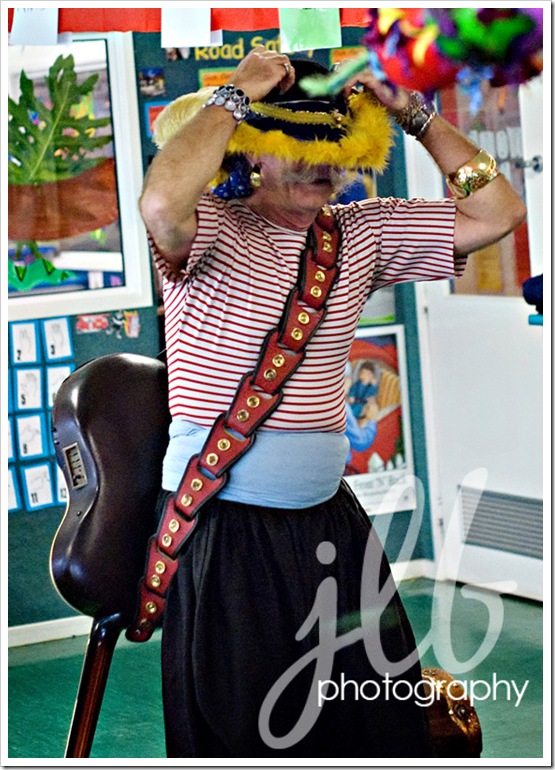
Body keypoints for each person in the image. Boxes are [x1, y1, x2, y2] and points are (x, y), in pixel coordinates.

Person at [138, 47, 526, 758]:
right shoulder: (210, 228)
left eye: (334, 146)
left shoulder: (360, 232)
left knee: (373, 725)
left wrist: (415, 114)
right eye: (299, 145)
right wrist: (235, 94)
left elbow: (498, 211)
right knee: (251, 735)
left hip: (331, 528)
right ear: (255, 152)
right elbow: (161, 201)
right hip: (226, 534)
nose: (320, 163)